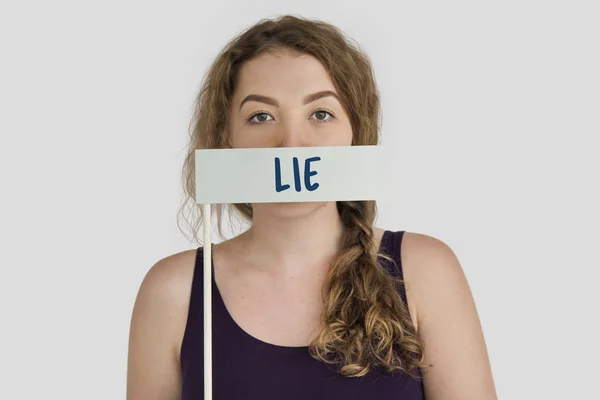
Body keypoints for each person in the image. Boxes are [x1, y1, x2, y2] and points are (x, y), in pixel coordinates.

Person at [126, 14, 497, 399]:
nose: (291, 143)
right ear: (227, 137)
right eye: (261, 116)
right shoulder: (174, 292)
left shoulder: (424, 272)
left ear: (355, 130)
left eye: (321, 114)